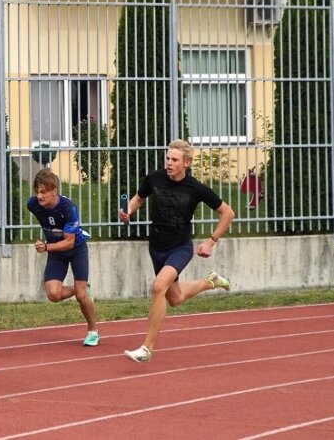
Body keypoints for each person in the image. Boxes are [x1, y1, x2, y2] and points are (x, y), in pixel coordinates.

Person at [119, 139, 235, 363]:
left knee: (158, 287)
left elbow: (228, 213)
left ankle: (146, 348)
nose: (169, 163)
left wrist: (211, 241)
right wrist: (128, 211)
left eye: (174, 160)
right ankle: (211, 282)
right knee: (175, 297)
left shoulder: (196, 188)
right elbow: (139, 198)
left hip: (180, 247)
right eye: (167, 158)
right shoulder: (154, 178)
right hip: (157, 247)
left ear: (186, 163)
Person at [27, 168, 99, 346]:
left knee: (82, 297)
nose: (39, 196)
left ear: (54, 191)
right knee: (53, 294)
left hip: (76, 249)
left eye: (43, 192)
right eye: (37, 192)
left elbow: (68, 242)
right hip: (56, 252)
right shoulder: (32, 204)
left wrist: (46, 246)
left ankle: (93, 331)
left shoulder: (68, 208)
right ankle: (79, 288)